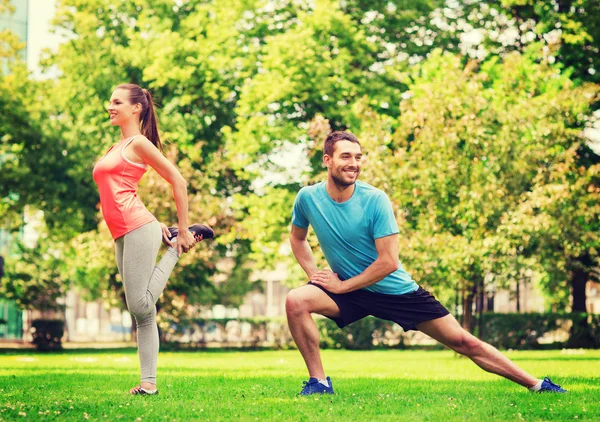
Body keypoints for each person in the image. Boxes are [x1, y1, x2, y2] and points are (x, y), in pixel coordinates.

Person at [286, 130, 566, 396]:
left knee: (463, 342)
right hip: (348, 291)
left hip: (393, 291)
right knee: (296, 301)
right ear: (327, 160)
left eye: (358, 157)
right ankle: (319, 382)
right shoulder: (308, 198)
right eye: (346, 156)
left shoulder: (374, 200)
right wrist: (316, 276)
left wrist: (343, 286)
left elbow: (389, 263)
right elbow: (297, 238)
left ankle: (537, 384)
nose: (354, 163)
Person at [93, 83, 213, 395]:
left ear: (136, 108)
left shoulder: (139, 143)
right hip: (126, 230)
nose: (110, 106)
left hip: (136, 227)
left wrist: (184, 229)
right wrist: (158, 223)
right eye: (111, 100)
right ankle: (149, 385)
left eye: (117, 101)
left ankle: (177, 247)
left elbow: (178, 180)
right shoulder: (117, 146)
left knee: (141, 305)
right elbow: (123, 190)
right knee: (143, 313)